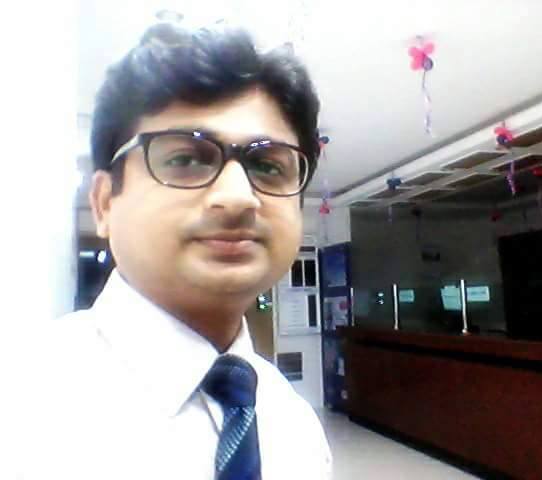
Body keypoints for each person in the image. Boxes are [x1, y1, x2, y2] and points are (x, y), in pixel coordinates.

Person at [8, 23, 331, 480]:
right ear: (104, 203)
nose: (238, 197)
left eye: (267, 165)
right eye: (186, 159)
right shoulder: (18, 407)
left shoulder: (295, 425)